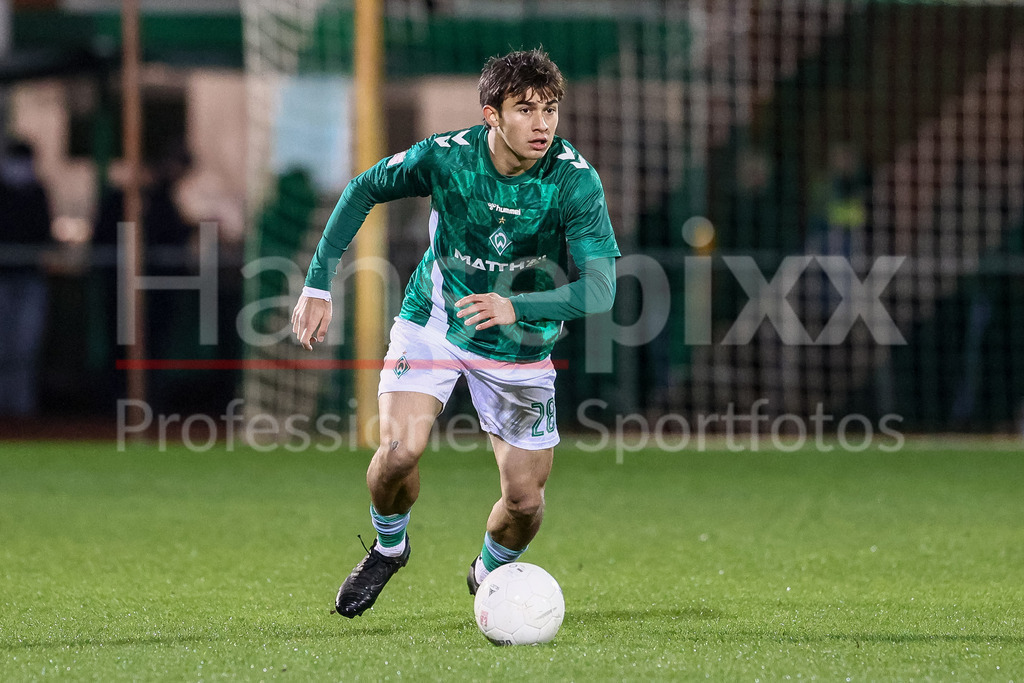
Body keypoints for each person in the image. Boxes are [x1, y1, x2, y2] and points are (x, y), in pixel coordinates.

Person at [291, 49, 620, 618]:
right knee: (398, 452)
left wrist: (518, 306)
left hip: (521, 346)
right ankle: (390, 548)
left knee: (524, 502)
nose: (543, 124)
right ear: (491, 115)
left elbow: (601, 288)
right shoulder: (447, 159)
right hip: (434, 324)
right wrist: (318, 283)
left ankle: (488, 575)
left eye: (551, 109)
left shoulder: (573, 181)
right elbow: (364, 186)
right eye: (526, 110)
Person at [0, 140, 53, 416]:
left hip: (30, 278)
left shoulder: (37, 192)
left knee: (25, 349)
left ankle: (21, 411)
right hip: (3, 280)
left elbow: (43, 233)